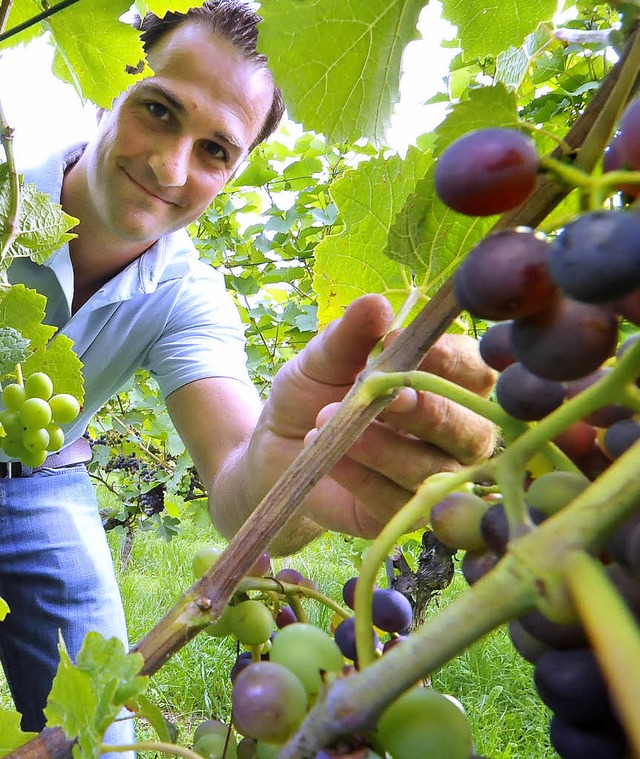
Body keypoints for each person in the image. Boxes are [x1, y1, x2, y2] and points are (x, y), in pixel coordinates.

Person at [0, 0, 496, 752]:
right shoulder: (8, 196)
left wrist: (293, 468)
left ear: (235, 172)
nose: (172, 166)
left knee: (101, 736)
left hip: (41, 477)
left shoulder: (188, 298)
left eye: (214, 151)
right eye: (159, 110)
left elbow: (240, 477)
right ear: (108, 90)